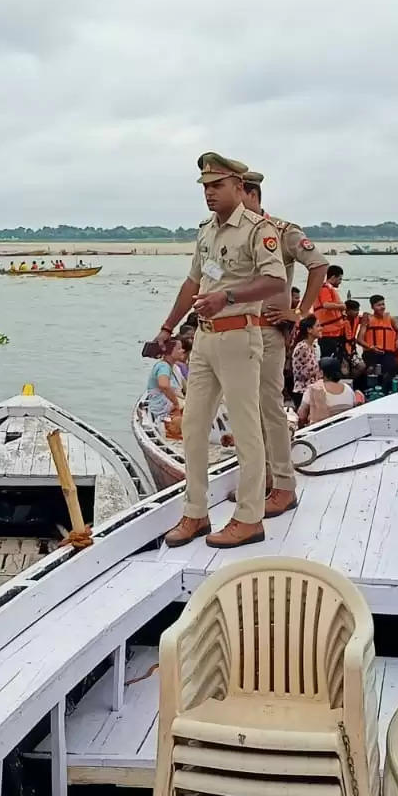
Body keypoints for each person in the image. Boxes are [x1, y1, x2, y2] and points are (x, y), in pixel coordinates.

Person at [150, 152, 287, 548]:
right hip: (205, 338)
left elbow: (275, 282)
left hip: (240, 336)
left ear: (239, 188)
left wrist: (226, 296)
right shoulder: (207, 231)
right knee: (192, 426)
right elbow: (193, 283)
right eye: (206, 188)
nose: (209, 194)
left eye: (217, 186)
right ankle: (195, 512)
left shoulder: (258, 230)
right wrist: (166, 327)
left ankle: (249, 518)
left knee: (246, 430)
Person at [240, 169, 328, 510]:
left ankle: (281, 483)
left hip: (266, 329)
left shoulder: (281, 231)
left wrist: (301, 311)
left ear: (250, 194)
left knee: (269, 409)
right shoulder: (232, 236)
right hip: (236, 332)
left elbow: (318, 265)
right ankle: (259, 481)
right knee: (245, 411)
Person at [299, 354, 364, 425]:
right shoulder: (348, 388)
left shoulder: (314, 389)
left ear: (321, 373)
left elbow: (302, 416)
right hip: (346, 428)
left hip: (322, 431)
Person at [356, 294, 398, 391]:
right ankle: (366, 390)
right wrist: (371, 347)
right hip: (371, 352)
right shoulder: (368, 319)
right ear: (373, 307)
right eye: (379, 305)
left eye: (383, 304)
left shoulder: (390, 319)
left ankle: (386, 390)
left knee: (391, 368)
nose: (382, 307)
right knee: (370, 369)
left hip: (387, 352)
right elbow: (359, 339)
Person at [146, 336, 186, 439]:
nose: (183, 351)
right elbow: (163, 385)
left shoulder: (172, 367)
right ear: (169, 351)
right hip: (162, 406)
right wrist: (176, 403)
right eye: (179, 349)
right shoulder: (163, 367)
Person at [314, 267, 350, 361]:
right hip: (327, 333)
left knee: (335, 360)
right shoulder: (324, 288)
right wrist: (342, 306)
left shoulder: (329, 289)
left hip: (334, 332)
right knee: (328, 361)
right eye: (340, 279)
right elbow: (326, 304)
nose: (340, 282)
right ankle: (325, 375)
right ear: (333, 277)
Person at [291, 316, 321, 408]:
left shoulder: (314, 347)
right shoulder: (302, 348)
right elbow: (300, 373)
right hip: (303, 392)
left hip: (313, 391)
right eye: (318, 326)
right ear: (309, 330)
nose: (321, 328)